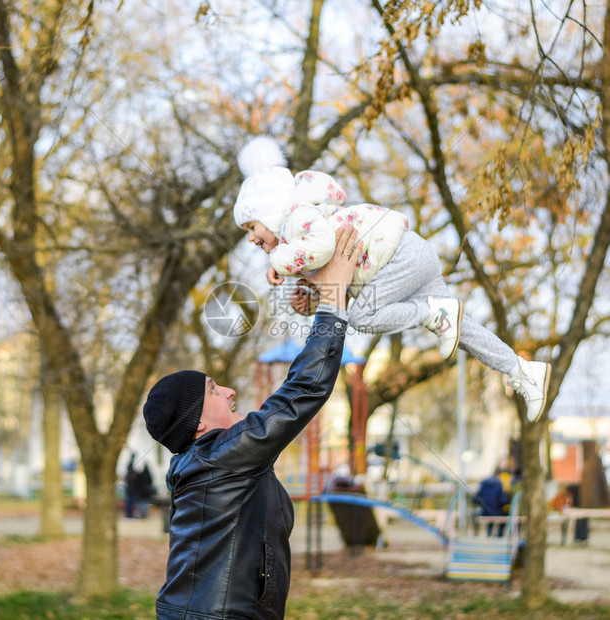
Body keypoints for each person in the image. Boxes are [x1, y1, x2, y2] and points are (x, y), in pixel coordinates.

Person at [233, 135, 551, 422]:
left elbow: (324, 246)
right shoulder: (301, 235)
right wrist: (313, 298)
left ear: (272, 212)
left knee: (363, 316)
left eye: (252, 227)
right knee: (462, 330)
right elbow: (337, 280)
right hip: (407, 257)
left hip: (400, 257)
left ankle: (431, 312)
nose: (251, 239)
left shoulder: (298, 219)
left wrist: (280, 261)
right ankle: (521, 369)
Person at [142, 226, 362, 620]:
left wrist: (319, 300)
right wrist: (331, 304)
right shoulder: (220, 457)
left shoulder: (217, 463)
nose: (228, 391)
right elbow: (302, 391)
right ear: (197, 426)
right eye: (212, 390)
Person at [473, 470, 509, 537]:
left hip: (485, 512)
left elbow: (474, 499)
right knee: (504, 515)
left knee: (488, 514)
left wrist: (483, 503)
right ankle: (499, 535)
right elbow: (503, 501)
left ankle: (489, 534)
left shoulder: (483, 484)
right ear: (498, 476)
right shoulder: (498, 484)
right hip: (496, 512)